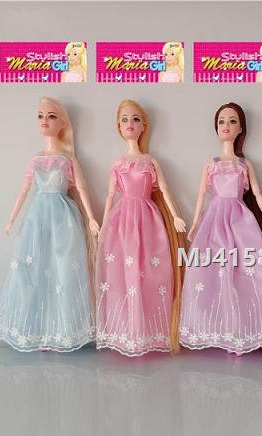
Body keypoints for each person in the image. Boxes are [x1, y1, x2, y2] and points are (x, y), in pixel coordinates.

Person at [180, 102, 262, 355]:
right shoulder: (210, 164)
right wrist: (194, 223)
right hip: (214, 219)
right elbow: (201, 194)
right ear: (216, 128)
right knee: (211, 271)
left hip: (240, 219)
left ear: (241, 128)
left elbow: (258, 194)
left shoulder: (244, 164)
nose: (226, 126)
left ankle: (243, 331)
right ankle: (216, 329)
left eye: (232, 121)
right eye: (221, 122)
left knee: (245, 271)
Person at [0, 97, 98, 351]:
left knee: (63, 271)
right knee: (35, 270)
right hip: (37, 217)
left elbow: (82, 188)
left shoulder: (67, 159)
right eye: (40, 116)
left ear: (62, 122)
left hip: (63, 217)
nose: (44, 120)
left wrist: (92, 218)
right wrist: (11, 219)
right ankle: (38, 332)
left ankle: (61, 332)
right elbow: (23, 191)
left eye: (51, 116)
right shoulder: (35, 159)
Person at [95, 99, 187, 356]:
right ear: (118, 126)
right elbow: (110, 195)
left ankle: (149, 332)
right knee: (122, 275)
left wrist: (175, 216)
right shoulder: (117, 163)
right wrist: (103, 225)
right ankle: (126, 331)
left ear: (143, 125)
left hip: (148, 219)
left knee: (150, 272)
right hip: (122, 221)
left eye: (135, 119)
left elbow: (164, 190)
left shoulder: (150, 161)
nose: (130, 124)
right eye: (125, 119)